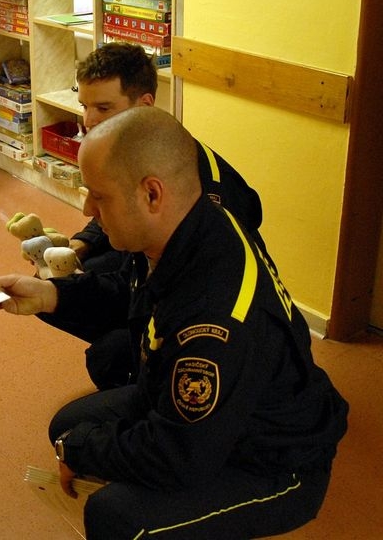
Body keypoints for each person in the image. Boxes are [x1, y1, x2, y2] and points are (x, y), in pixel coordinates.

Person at [0, 107, 349, 539]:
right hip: (205, 416)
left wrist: (84, 452)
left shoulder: (215, 319)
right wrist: (51, 295)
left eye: (98, 196)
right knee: (66, 428)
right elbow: (130, 293)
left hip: (275, 460)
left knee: (115, 516)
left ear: (152, 194)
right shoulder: (183, 228)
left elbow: (178, 455)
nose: (89, 209)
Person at [35, 43, 265, 389]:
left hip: (196, 305)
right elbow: (107, 206)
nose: (89, 120)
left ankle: (141, 361)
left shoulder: (208, 192)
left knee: (106, 356)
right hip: (147, 267)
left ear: (143, 105)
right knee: (59, 281)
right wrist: (79, 244)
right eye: (85, 106)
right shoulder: (124, 152)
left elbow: (196, 278)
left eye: (103, 107)